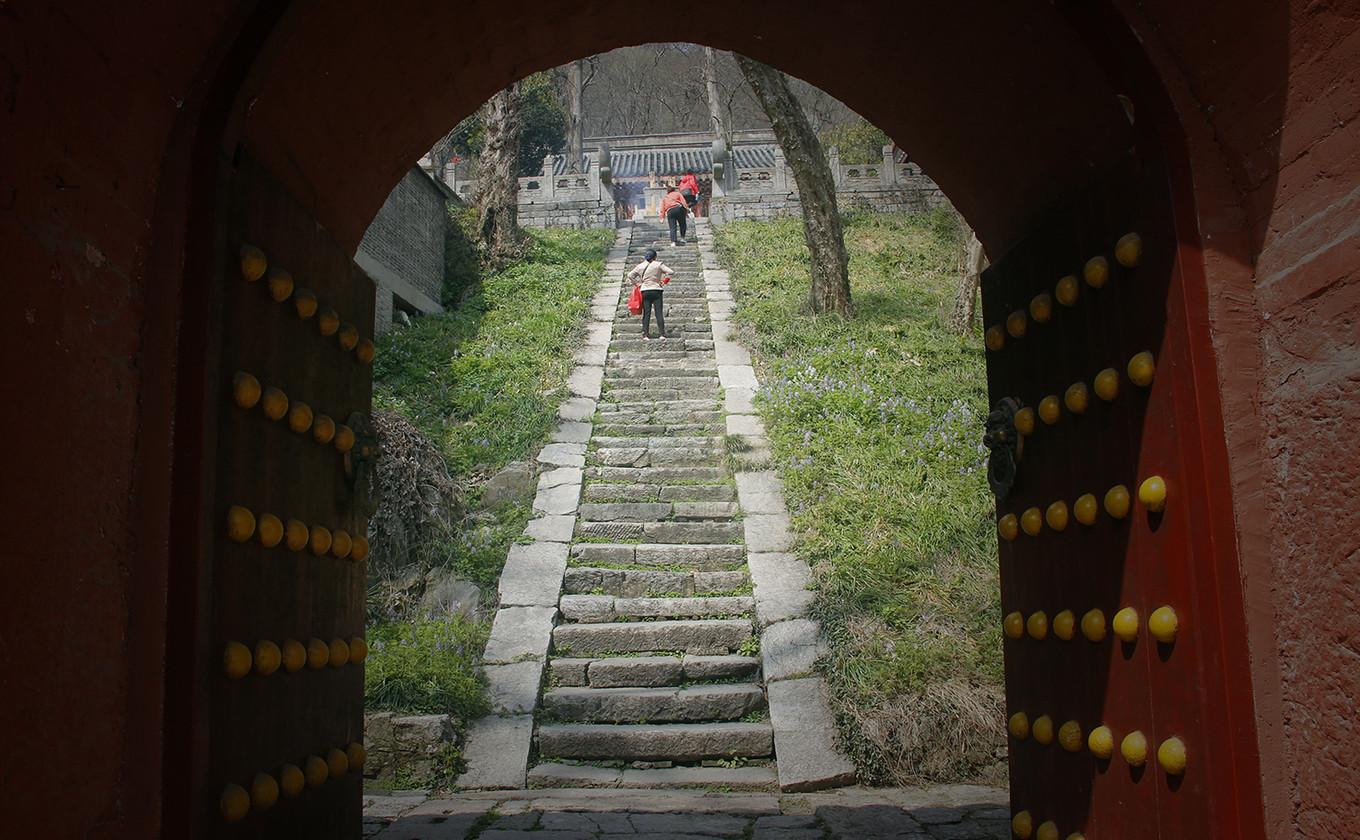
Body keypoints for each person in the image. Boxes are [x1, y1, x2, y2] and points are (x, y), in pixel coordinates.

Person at [627, 248, 673, 340]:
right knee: (658, 313)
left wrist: (636, 283)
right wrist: (664, 281)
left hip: (645, 291)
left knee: (646, 313)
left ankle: (645, 334)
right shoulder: (658, 264)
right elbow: (670, 272)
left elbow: (630, 275)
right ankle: (662, 334)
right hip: (656, 290)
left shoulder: (640, 266)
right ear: (655, 257)